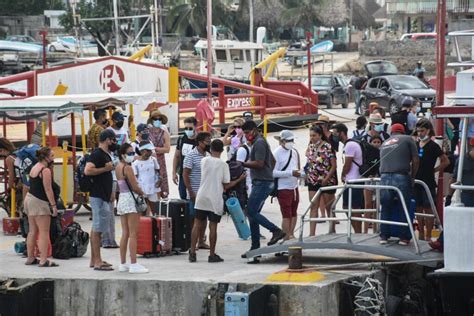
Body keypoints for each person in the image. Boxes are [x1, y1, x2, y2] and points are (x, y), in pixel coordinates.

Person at [189, 139, 246, 263]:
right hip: (215, 198)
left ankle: (192, 252)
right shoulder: (223, 165)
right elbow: (226, 185)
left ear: (210, 149)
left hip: (201, 196)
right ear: (221, 151)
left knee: (196, 224)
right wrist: (239, 179)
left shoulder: (204, 160)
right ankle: (212, 254)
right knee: (213, 226)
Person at [241, 120, 286, 255]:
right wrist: (268, 172)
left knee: (250, 211)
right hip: (263, 180)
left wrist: (242, 164)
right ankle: (255, 248)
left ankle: (275, 230)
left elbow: (260, 163)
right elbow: (272, 161)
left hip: (262, 182)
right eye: (245, 133)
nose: (246, 135)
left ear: (254, 130)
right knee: (253, 215)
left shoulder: (259, 143)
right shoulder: (261, 141)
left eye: (248, 133)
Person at [378, 123, 419, 245]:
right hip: (401, 176)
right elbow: (416, 159)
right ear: (403, 131)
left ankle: (384, 236)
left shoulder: (385, 142)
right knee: (404, 206)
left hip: (384, 177)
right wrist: (413, 177)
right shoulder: (408, 138)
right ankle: (404, 237)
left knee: (385, 206)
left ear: (392, 132)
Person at [85, 129, 116, 271]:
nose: (114, 143)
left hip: (103, 195)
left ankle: (94, 259)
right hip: (98, 196)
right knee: (98, 229)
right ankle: (97, 261)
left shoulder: (105, 155)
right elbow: (88, 170)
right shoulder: (97, 154)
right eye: (112, 140)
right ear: (107, 140)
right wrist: (105, 169)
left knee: (96, 228)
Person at [413, 119, 449, 241]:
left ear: (428, 131)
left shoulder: (434, 146)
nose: (420, 133)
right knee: (418, 208)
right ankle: (421, 233)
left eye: (422, 131)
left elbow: (446, 161)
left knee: (428, 208)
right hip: (416, 180)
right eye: (418, 131)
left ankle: (428, 234)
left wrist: (435, 170)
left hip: (428, 181)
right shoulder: (415, 145)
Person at [23, 147, 60, 267]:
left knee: (32, 231)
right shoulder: (45, 170)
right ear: (46, 157)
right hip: (39, 202)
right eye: (52, 156)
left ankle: (30, 257)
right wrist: (54, 205)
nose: (53, 158)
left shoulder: (35, 167)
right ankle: (43, 260)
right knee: (44, 232)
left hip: (29, 199)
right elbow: (48, 189)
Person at [115, 143, 149, 273]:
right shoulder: (128, 168)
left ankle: (123, 263)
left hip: (122, 199)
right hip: (131, 200)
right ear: (123, 154)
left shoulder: (118, 167)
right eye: (129, 153)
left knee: (125, 233)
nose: (132, 155)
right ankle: (134, 263)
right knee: (134, 233)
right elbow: (134, 186)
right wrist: (142, 192)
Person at [305, 126, 337, 236]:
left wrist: (327, 178)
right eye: (310, 135)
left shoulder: (328, 147)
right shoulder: (310, 147)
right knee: (313, 206)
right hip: (312, 180)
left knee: (329, 206)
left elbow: (333, 166)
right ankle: (311, 233)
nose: (312, 137)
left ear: (320, 135)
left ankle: (332, 230)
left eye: (314, 135)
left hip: (326, 180)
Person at [333, 123, 364, 233]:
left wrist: (342, 174)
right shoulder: (349, 144)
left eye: (336, 133)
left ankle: (358, 232)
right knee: (348, 207)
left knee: (353, 209)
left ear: (342, 133)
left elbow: (348, 164)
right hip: (352, 180)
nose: (334, 136)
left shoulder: (350, 145)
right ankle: (357, 231)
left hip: (354, 180)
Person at [183, 131, 211, 249]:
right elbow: (185, 174)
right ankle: (192, 244)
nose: (209, 144)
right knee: (194, 219)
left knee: (204, 218)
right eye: (207, 142)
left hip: (205, 192)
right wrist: (190, 192)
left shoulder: (208, 155)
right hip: (194, 192)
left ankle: (201, 241)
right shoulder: (191, 155)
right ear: (200, 142)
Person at [273, 130, 301, 240]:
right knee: (286, 214)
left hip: (294, 186)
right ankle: (285, 236)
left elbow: (297, 167)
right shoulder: (276, 153)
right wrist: (290, 173)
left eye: (292, 140)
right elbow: (273, 173)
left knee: (294, 212)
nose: (291, 142)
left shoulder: (294, 152)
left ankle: (291, 233)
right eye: (289, 140)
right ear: (282, 141)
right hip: (283, 188)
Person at [132, 141, 160, 216]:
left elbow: (158, 172)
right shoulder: (135, 163)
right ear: (142, 151)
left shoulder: (153, 160)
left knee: (155, 210)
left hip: (153, 188)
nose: (150, 152)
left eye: (151, 150)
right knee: (143, 211)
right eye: (148, 150)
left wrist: (160, 179)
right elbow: (135, 178)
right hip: (142, 189)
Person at [173, 117, 198, 200]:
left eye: (190, 128)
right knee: (183, 195)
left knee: (194, 198)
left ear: (195, 127)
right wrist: (174, 173)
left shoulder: (199, 140)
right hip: (183, 174)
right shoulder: (181, 139)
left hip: (195, 175)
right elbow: (176, 156)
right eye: (186, 128)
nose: (188, 130)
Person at [147, 110, 170, 198]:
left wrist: (153, 149)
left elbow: (167, 149)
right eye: (155, 119)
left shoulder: (164, 133)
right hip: (149, 162)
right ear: (151, 120)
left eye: (159, 119)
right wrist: (159, 150)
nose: (157, 120)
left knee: (162, 186)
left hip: (160, 162)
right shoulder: (147, 132)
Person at [363, 135, 382, 233]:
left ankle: (375, 230)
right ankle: (365, 231)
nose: (376, 144)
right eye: (374, 142)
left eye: (378, 142)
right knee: (368, 205)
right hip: (369, 180)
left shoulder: (383, 153)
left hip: (379, 181)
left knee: (376, 206)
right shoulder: (367, 153)